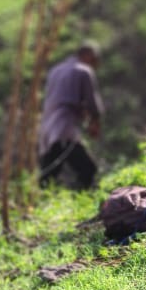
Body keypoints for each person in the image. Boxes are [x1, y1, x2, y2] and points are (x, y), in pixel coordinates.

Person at [38, 42, 105, 190]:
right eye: (94, 61)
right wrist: (95, 123)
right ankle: (79, 201)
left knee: (48, 176)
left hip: (47, 130)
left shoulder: (55, 70)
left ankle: (37, 204)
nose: (94, 65)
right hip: (64, 129)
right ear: (88, 56)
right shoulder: (83, 70)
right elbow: (92, 104)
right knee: (88, 169)